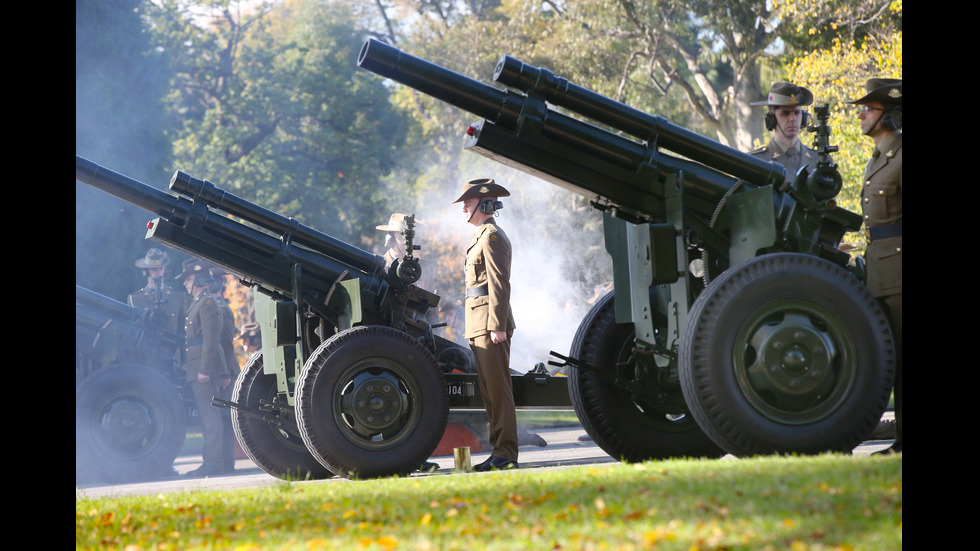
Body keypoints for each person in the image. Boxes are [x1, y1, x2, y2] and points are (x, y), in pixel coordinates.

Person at [847, 78, 902, 454]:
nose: (862, 114)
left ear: (890, 114)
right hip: (881, 271)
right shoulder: (877, 158)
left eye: (869, 108)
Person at [453, 177, 519, 471]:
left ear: (484, 203)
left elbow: (499, 284)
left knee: (499, 391)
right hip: (479, 323)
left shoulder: (491, 236)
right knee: (490, 393)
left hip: (490, 324)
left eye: (468, 201)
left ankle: (505, 454)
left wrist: (497, 325)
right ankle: (498, 452)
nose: (464, 206)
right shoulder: (480, 235)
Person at [177, 258, 235, 477]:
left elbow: (212, 341)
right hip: (197, 365)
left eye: (189, 279)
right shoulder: (200, 301)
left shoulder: (207, 303)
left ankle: (213, 463)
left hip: (203, 367)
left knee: (210, 417)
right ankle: (215, 461)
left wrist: (205, 369)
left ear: (200, 279)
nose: (185, 283)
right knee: (209, 417)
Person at [749, 81, 820, 186]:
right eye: (785, 113)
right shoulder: (755, 162)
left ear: (804, 117)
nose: (792, 119)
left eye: (796, 113)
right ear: (771, 119)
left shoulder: (818, 159)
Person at [208, 265, 241, 472]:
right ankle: (225, 463)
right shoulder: (213, 306)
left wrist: (225, 374)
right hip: (221, 369)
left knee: (226, 419)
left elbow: (226, 343)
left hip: (226, 371)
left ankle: (227, 464)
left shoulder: (221, 308)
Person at [128, 248, 186, 336]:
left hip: (171, 347)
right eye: (154, 269)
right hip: (144, 348)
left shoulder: (178, 297)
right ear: (146, 271)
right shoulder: (135, 299)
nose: (158, 272)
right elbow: (130, 331)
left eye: (161, 268)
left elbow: (183, 331)